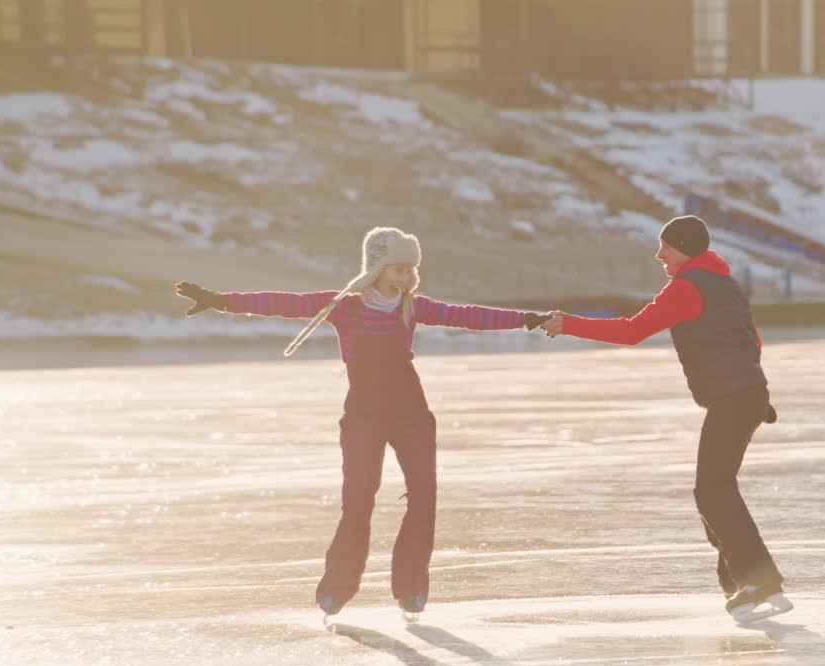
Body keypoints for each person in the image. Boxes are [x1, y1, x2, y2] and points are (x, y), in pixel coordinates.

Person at [175, 227, 548, 620]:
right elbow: (285, 303)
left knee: (424, 498)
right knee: (357, 502)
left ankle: (411, 589)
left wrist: (525, 319)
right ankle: (337, 588)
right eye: (398, 269)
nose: (406, 278)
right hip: (364, 414)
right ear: (377, 267)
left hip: (412, 413)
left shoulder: (414, 307)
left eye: (410, 270)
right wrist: (219, 300)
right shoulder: (344, 307)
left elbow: (470, 316)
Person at [542, 215, 791, 624]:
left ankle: (758, 581)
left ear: (686, 249)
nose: (660, 255)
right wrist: (753, 392)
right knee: (714, 488)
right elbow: (752, 340)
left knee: (713, 489)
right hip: (747, 394)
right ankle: (740, 583)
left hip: (734, 397)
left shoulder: (687, 288)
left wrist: (569, 324)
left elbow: (631, 331)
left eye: (667, 247)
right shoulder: (727, 286)